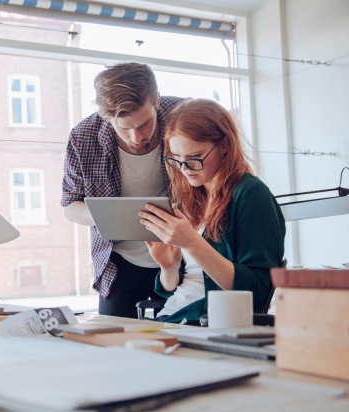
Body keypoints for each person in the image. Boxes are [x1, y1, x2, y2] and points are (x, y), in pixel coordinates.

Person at [139, 99, 286, 324]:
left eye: (194, 158)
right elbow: (175, 290)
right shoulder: (190, 196)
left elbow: (256, 292)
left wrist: (192, 244)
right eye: (177, 159)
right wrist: (169, 267)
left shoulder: (251, 194)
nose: (185, 169)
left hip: (205, 322)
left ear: (225, 145)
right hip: (173, 316)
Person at [61, 62, 184, 317]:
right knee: (114, 344)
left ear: (157, 101)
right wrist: (113, 215)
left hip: (185, 253)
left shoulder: (184, 116)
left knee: (186, 339)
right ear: (106, 118)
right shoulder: (82, 138)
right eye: (124, 128)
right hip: (119, 262)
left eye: (145, 124)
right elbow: (70, 207)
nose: (137, 138)